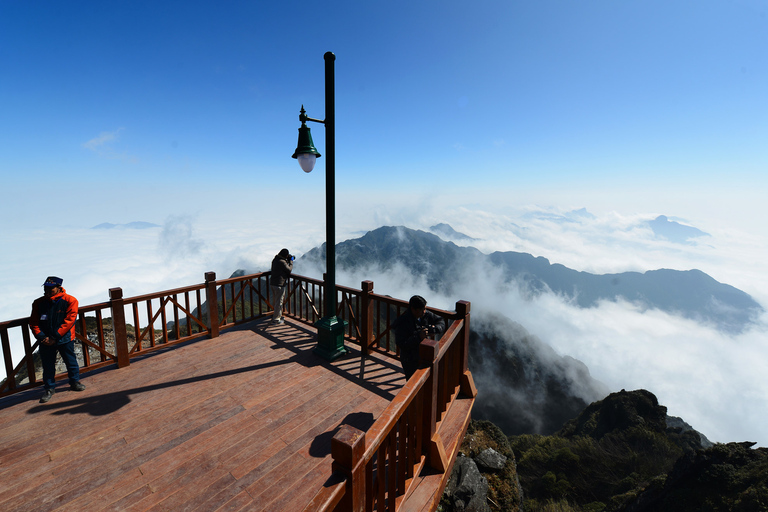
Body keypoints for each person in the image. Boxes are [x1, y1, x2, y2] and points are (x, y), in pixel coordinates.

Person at [29, 276, 85, 403]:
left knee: (70, 362)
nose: (47, 291)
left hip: (64, 338)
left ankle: (74, 382)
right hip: (45, 340)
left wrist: (54, 337)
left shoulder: (70, 300)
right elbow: (33, 322)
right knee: (48, 366)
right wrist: (42, 337)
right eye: (46, 288)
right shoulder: (38, 303)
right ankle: (49, 388)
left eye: (51, 288)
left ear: (59, 288)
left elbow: (69, 321)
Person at [394, 295, 445, 380]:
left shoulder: (424, 314)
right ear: (413, 309)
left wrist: (434, 329)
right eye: (422, 310)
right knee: (413, 382)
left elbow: (440, 320)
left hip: (424, 356)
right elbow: (401, 343)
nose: (424, 312)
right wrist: (418, 337)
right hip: (409, 360)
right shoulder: (402, 322)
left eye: (425, 309)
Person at [270, 248, 294, 324]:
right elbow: (289, 270)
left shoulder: (275, 260)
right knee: (279, 302)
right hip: (279, 284)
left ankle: (276, 315)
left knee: (276, 301)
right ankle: (276, 320)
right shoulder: (282, 262)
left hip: (273, 283)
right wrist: (291, 261)